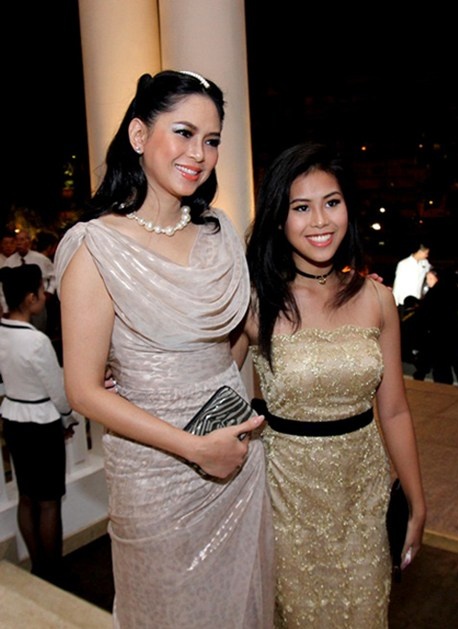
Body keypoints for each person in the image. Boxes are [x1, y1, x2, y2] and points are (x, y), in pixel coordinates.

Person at [54, 70, 274, 628]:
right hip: (155, 479)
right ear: (138, 135)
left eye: (212, 139)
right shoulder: (95, 246)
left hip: (234, 460)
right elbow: (82, 390)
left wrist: (218, 420)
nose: (199, 154)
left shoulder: (220, 230)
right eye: (183, 132)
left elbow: (227, 347)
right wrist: (193, 447)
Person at [231, 142, 426, 628]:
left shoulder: (377, 298)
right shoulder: (255, 303)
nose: (320, 221)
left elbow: (395, 411)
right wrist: (129, 374)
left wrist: (417, 502)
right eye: (301, 207)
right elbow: (204, 385)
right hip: (288, 500)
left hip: (364, 497)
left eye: (331, 202)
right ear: (279, 218)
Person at [0, 264, 77, 585]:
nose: (45, 295)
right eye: (41, 290)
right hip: (42, 423)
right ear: (30, 298)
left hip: (13, 420)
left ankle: (37, 568)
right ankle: (54, 572)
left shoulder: (2, 332)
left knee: (26, 496)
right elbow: (58, 392)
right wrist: (68, 417)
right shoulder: (36, 341)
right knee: (48, 502)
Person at [2, 229, 57, 333]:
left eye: (22, 239)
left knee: (39, 330)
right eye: (17, 240)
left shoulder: (41, 259)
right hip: (19, 307)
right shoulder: (9, 262)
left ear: (29, 241)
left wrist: (49, 292)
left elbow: (54, 276)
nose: (19, 243)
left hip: (37, 302)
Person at [412, 267, 458, 384]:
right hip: (453, 334)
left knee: (441, 370)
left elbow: (423, 315)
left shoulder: (434, 293)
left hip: (437, 335)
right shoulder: (455, 292)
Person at [392, 242, 431, 309]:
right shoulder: (403, 264)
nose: (427, 255)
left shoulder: (425, 263)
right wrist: (394, 303)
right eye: (426, 253)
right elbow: (397, 284)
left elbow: (432, 273)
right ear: (420, 251)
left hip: (417, 300)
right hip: (404, 301)